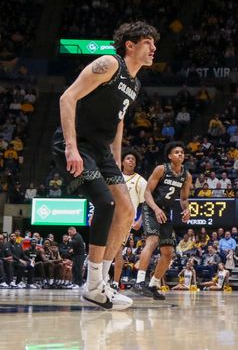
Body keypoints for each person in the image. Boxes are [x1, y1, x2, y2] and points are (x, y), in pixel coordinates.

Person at [51, 21, 157, 309]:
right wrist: (71, 147)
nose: (154, 48)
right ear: (130, 45)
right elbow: (67, 97)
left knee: (127, 209)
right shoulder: (109, 63)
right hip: (76, 144)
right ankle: (93, 284)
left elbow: (117, 122)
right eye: (148, 42)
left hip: (101, 151)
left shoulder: (135, 83)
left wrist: (116, 161)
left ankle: (102, 281)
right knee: (106, 203)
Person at [135, 141, 193, 300]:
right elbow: (147, 193)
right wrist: (155, 209)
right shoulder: (161, 169)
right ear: (169, 156)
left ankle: (153, 285)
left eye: (182, 152)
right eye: (176, 152)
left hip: (165, 211)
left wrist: (186, 209)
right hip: (151, 207)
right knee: (152, 241)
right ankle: (139, 281)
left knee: (168, 253)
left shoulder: (186, 175)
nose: (180, 154)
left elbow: (184, 198)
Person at [112, 150, 147, 289]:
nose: (131, 160)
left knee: (117, 250)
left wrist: (140, 220)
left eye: (133, 159)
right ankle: (99, 281)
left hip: (125, 219)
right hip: (109, 215)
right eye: (128, 158)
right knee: (102, 248)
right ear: (122, 162)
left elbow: (147, 203)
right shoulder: (115, 176)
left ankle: (115, 283)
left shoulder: (140, 180)